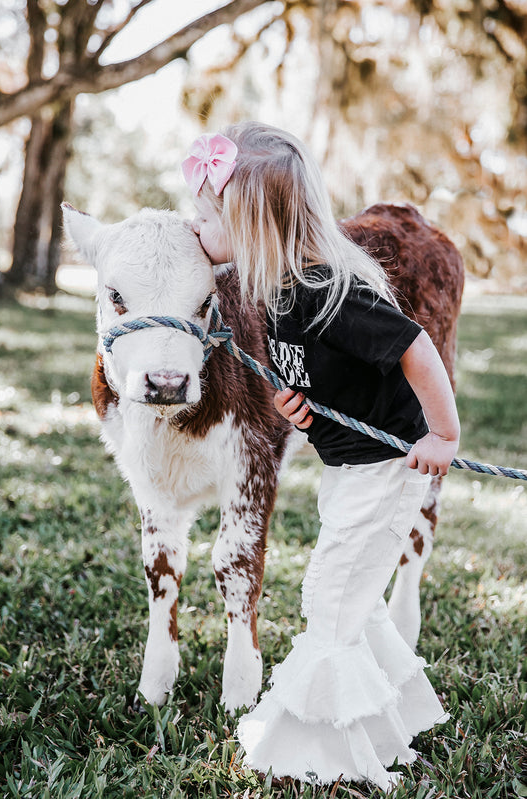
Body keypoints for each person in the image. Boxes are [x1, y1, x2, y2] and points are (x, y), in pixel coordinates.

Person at [182, 122, 460, 791]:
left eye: (204, 215)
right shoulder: (272, 289)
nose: (193, 226)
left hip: (384, 466)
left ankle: (326, 747)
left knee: (328, 599)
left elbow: (414, 347)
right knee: (352, 603)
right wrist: (292, 400)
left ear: (249, 224)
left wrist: (443, 434)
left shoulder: (323, 288)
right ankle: (387, 719)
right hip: (346, 467)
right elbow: (301, 365)